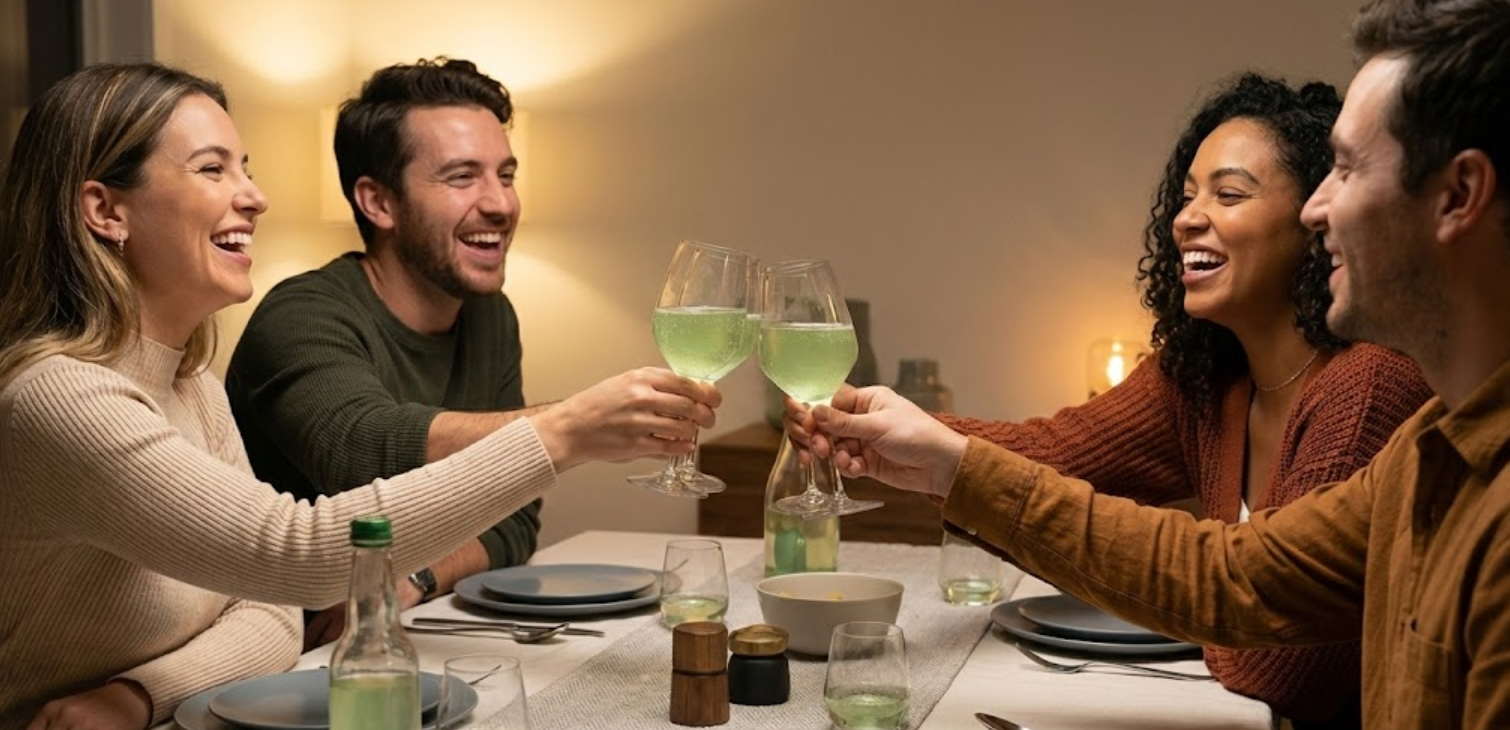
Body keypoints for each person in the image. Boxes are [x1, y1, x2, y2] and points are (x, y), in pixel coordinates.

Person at [804, 0, 1510, 726]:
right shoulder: (1431, 450)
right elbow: (1229, 579)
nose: (1317, 208)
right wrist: (944, 462)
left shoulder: (1421, 434)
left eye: (1348, 170)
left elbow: (1262, 643)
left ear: (1458, 196)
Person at [0, 63, 718, 729]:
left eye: (243, 169)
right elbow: (302, 554)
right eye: (213, 169)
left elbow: (274, 609)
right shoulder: (57, 397)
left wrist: (137, 693)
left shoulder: (191, 385)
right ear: (105, 210)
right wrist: (561, 434)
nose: (254, 196)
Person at [910, 73, 1432, 726]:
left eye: (1230, 193)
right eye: (1186, 197)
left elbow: (1270, 669)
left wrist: (1173, 596)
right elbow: (1050, 456)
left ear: (1316, 219)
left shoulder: (1371, 384)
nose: (1187, 218)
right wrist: (889, 433)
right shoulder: (1203, 375)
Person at [223, 58, 689, 648]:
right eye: (462, 177)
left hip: (383, 636)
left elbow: (513, 522)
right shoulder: (301, 315)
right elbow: (361, 448)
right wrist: (570, 425)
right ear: (378, 203)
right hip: (273, 654)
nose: (500, 204)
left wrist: (413, 578)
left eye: (506, 175)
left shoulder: (490, 315)